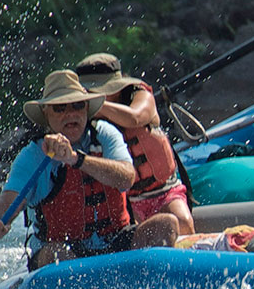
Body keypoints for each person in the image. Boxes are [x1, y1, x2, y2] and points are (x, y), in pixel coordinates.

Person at [0, 70, 178, 270]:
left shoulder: (106, 134)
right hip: (64, 252)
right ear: (46, 114)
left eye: (77, 105)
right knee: (56, 254)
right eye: (60, 108)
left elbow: (126, 178)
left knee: (166, 224)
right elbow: (8, 199)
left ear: (86, 109)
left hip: (116, 243)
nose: (70, 113)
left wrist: (75, 159)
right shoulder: (33, 156)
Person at [74, 53, 196, 235]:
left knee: (183, 222)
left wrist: (94, 105)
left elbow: (134, 117)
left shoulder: (139, 95)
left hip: (164, 192)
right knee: (140, 237)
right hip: (123, 201)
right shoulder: (80, 115)